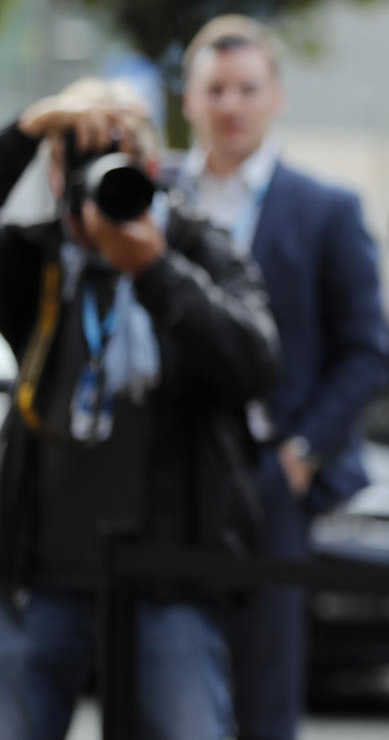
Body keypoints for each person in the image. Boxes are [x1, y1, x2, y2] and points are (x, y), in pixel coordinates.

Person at [0, 78, 279, 740]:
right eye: (80, 161)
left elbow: (255, 362)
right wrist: (28, 129)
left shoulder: (196, 244)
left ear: (152, 169)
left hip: (170, 570)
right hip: (40, 570)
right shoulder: (33, 257)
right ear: (55, 172)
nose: (98, 178)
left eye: (119, 157)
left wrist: (154, 269)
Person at [176, 14, 389, 740]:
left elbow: (366, 349)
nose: (230, 104)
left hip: (272, 472)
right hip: (167, 469)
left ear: (276, 97)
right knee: (161, 676)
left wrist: (302, 457)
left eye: (246, 87)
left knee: (265, 686)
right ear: (189, 100)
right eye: (215, 89)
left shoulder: (326, 208)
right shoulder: (154, 196)